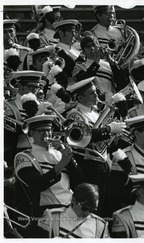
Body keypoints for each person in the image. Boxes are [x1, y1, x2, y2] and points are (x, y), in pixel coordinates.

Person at [13, 115, 84, 237]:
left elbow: (81, 182)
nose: (47, 134)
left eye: (49, 130)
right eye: (41, 131)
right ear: (31, 133)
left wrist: (70, 160)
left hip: (69, 208)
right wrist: (61, 164)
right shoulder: (24, 156)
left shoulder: (59, 153)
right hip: (44, 213)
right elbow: (36, 185)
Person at [66, 77, 126, 215]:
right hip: (88, 165)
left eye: (96, 92)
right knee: (94, 208)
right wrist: (109, 129)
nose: (97, 96)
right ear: (80, 97)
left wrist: (114, 135)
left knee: (104, 206)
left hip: (102, 162)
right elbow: (84, 136)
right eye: (92, 93)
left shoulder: (94, 113)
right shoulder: (76, 114)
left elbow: (101, 139)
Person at [38, 183, 108, 238]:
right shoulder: (52, 217)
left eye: (92, 210)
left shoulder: (100, 226)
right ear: (74, 200)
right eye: (85, 208)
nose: (88, 213)